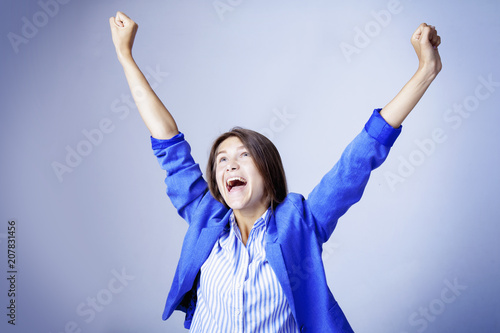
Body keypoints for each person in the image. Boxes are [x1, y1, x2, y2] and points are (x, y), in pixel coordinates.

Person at [109, 10, 441, 332]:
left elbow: (356, 161)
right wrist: (125, 55)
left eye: (243, 155)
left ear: (267, 171)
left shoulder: (300, 223)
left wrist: (426, 69)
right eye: (221, 159)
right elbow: (167, 140)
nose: (230, 164)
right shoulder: (204, 215)